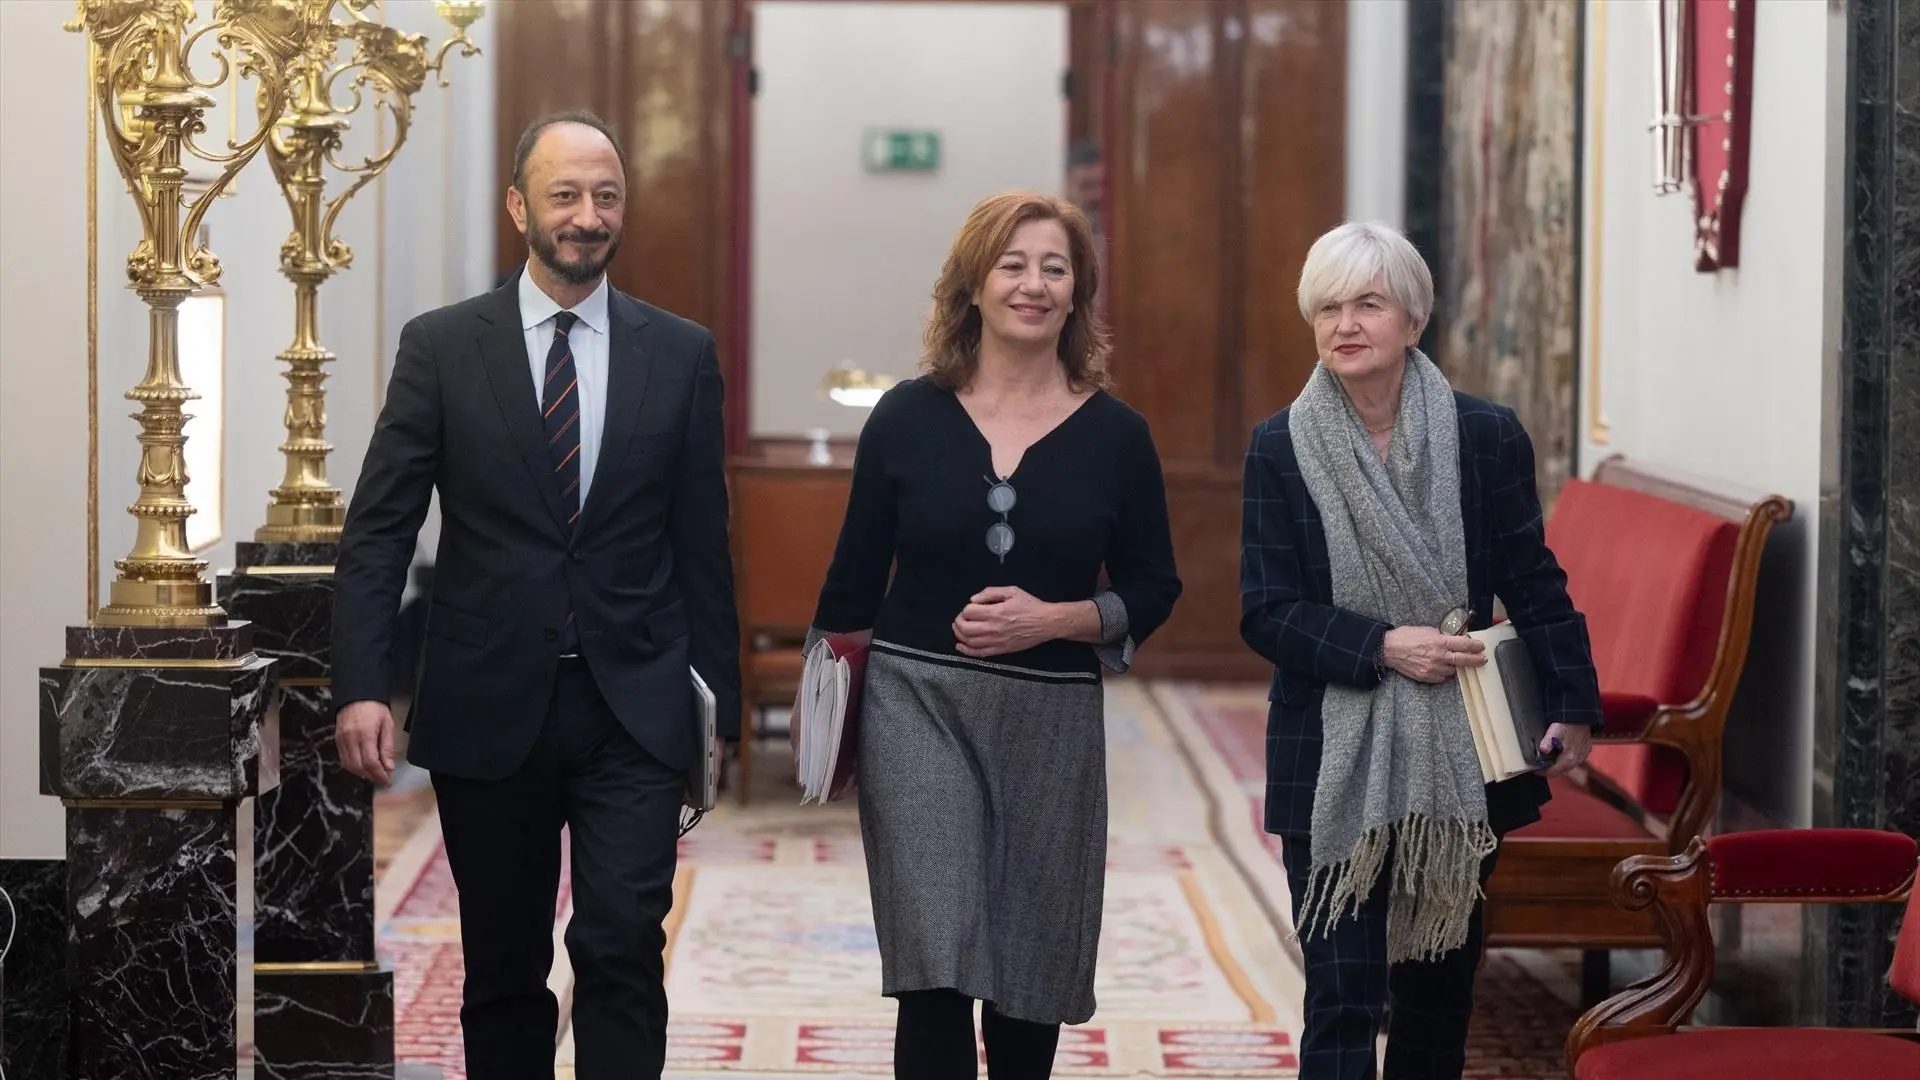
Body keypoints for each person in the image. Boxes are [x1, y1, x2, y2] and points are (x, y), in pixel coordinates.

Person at [331, 110, 741, 1080]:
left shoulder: (678, 355)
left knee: (620, 946)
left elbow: (702, 543)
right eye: (565, 194)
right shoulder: (441, 348)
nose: (587, 216)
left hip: (631, 708)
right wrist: (360, 683)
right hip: (487, 701)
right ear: (519, 205)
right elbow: (381, 526)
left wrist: (712, 706)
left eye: (606, 196)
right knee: (505, 970)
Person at [808, 191, 1182, 1078]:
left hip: (1052, 723)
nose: (1033, 284)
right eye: (1012, 265)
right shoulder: (905, 415)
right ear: (972, 285)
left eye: (1055, 268)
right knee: (934, 966)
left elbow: (1154, 584)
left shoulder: (1119, 437)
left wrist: (1057, 619)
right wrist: (822, 727)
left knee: (1028, 972)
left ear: (1077, 292)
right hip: (918, 708)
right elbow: (852, 581)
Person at [1239, 221, 1602, 1080]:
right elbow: (1266, 613)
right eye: (1327, 307)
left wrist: (1575, 704)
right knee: (1342, 995)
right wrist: (1382, 645)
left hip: (1462, 749)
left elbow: (1533, 577)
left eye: (1367, 303)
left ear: (1413, 318)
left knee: (1439, 993)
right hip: (1329, 749)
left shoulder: (1485, 435)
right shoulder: (1279, 445)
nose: (1344, 325)